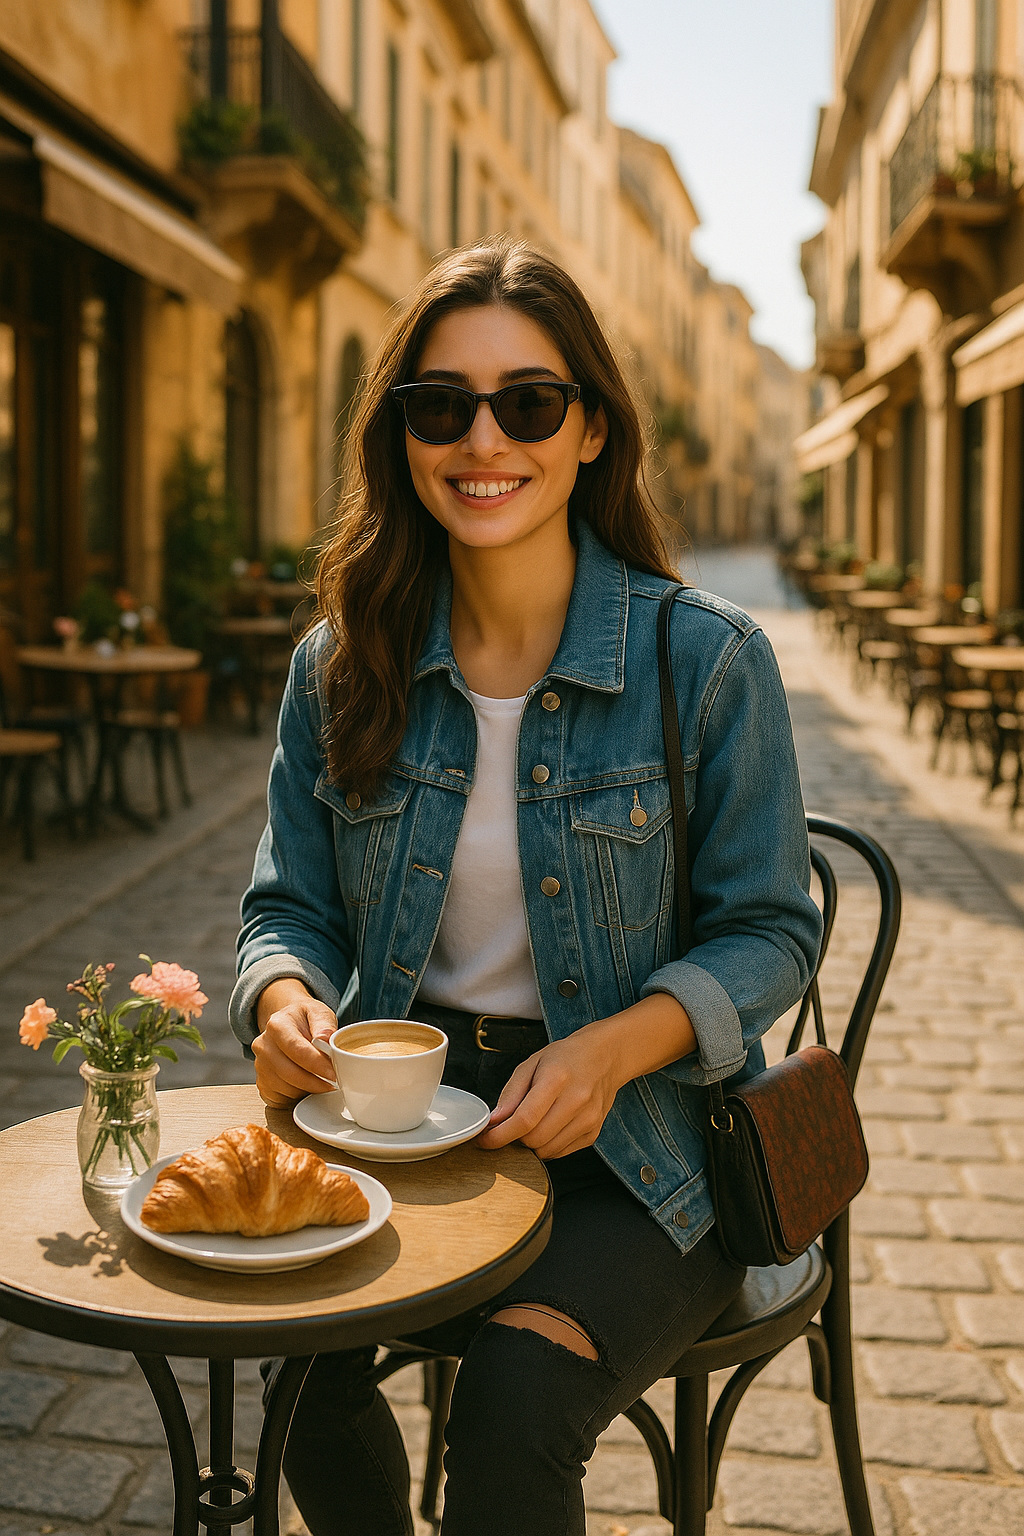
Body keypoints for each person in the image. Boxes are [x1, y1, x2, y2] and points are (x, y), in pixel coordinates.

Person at [228, 238, 822, 1536]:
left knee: (511, 1407)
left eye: (529, 402)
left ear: (592, 428)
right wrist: (283, 998)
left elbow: (772, 929)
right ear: (402, 436)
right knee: (293, 1385)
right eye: (441, 405)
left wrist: (615, 1048)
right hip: (404, 1132)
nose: (482, 438)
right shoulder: (340, 664)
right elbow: (289, 908)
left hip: (646, 1153)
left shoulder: (704, 662)